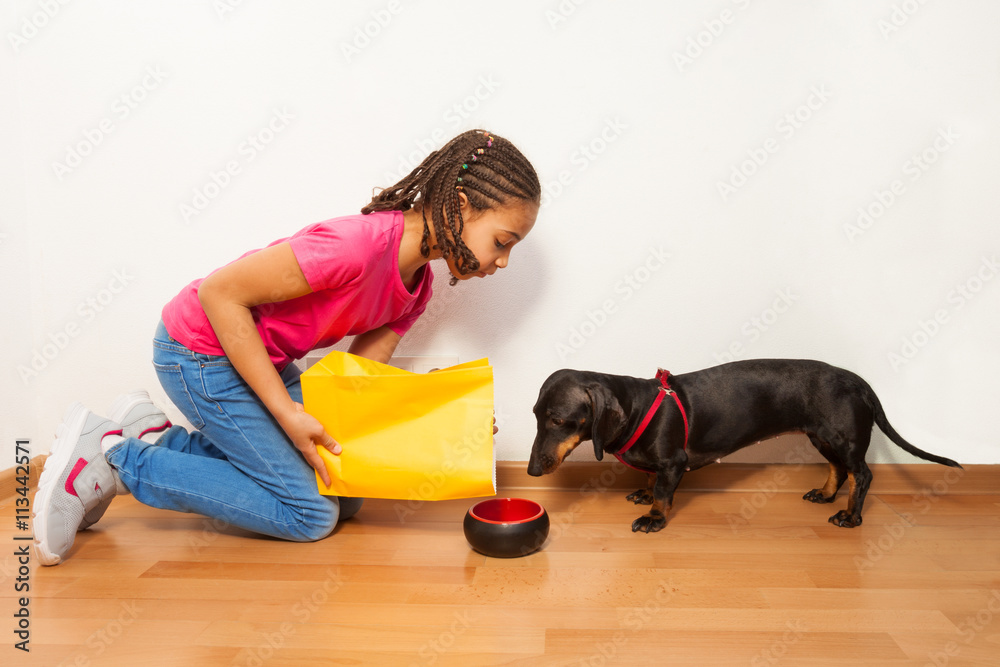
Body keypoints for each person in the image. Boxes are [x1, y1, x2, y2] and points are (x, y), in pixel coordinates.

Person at [33, 130, 540, 565]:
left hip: (257, 362)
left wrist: (438, 413)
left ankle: (163, 442)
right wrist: (286, 412)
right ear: (462, 206)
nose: (503, 262)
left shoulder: (417, 289)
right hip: (198, 353)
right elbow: (219, 293)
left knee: (347, 493)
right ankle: (115, 459)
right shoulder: (356, 247)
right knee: (311, 514)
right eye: (502, 241)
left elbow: (355, 383)